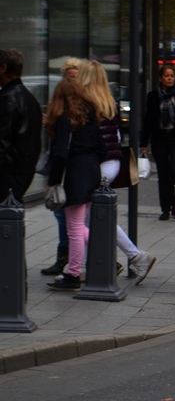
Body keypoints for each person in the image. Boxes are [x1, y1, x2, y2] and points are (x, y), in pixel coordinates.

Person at [77, 60, 157, 284]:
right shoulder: (108, 101)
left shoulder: (87, 103)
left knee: (82, 219)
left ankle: (128, 258)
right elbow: (118, 138)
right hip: (112, 164)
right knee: (94, 217)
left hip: (97, 164)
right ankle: (127, 258)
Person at [44, 77, 106, 291]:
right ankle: (105, 259)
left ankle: (73, 273)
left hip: (74, 174)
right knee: (80, 226)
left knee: (74, 228)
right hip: (91, 171)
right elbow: (102, 149)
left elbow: (60, 153)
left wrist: (52, 182)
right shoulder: (91, 116)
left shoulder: (65, 119)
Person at [41, 57, 82, 276]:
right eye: (69, 78)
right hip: (71, 168)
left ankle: (68, 263)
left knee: (73, 221)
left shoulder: (74, 110)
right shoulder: (66, 108)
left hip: (71, 169)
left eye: (75, 78)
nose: (71, 83)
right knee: (65, 217)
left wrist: (53, 181)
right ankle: (64, 259)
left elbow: (62, 150)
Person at [141, 65, 175, 220]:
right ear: (161, 78)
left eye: (171, 75)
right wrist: (144, 142)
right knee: (163, 175)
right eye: (166, 75)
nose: (169, 78)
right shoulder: (153, 96)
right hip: (159, 139)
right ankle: (165, 209)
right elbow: (148, 120)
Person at [0, 48, 42, 204]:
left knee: (7, 219)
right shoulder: (29, 98)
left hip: (8, 174)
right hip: (22, 171)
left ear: (3, 68)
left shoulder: (9, 99)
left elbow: (2, 141)